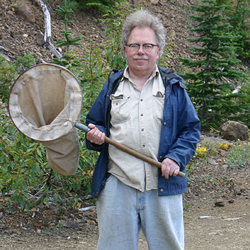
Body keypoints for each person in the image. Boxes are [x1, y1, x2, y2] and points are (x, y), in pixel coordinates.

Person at [86, 9, 200, 250]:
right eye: (134, 45)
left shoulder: (174, 86)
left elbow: (190, 130)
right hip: (118, 183)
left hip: (163, 185)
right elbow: (96, 124)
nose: (141, 51)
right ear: (125, 50)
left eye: (148, 45)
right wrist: (95, 135)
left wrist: (175, 157)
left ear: (158, 50)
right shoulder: (112, 85)